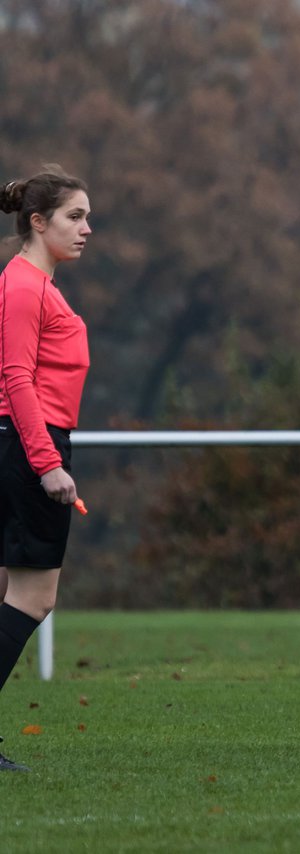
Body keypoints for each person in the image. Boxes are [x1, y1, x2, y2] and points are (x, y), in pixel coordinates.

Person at [0, 166, 93, 772]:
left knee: (8, 595)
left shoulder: (33, 283)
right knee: (34, 598)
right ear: (39, 222)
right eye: (74, 217)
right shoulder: (26, 285)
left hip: (21, 444)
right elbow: (16, 379)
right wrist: (48, 464)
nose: (87, 229)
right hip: (29, 447)